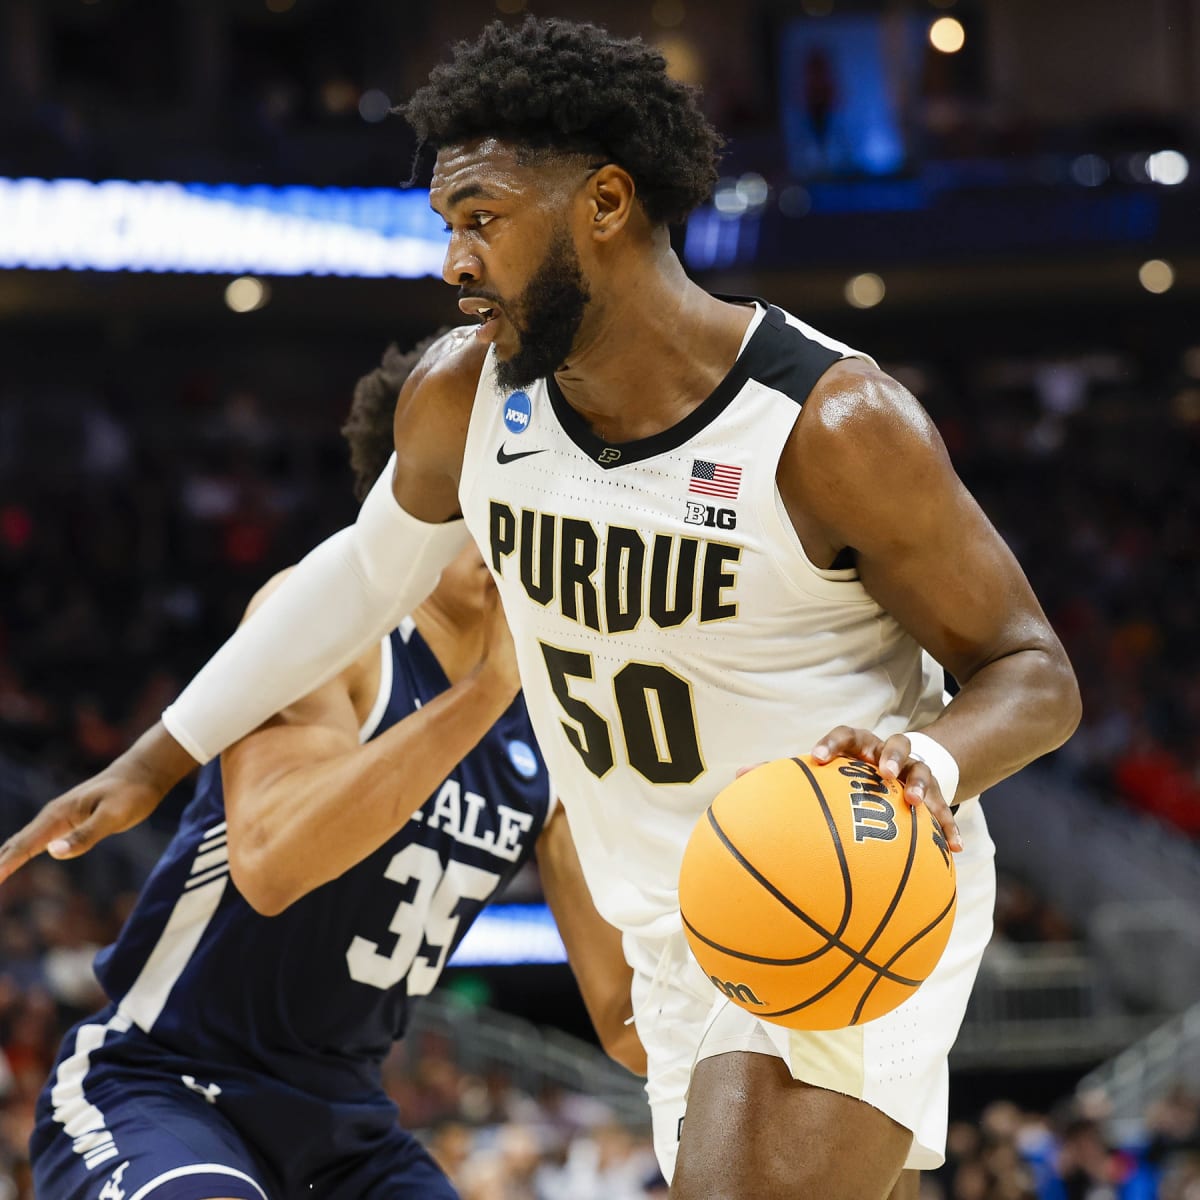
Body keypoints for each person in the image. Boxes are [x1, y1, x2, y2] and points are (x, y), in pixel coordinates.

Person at [1, 17, 1081, 1200]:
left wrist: (927, 757)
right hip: (682, 921)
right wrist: (159, 759)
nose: (454, 263)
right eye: (449, 227)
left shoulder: (828, 425)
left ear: (606, 205)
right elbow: (364, 575)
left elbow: (1032, 671)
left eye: (484, 220)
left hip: (832, 870)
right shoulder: (466, 397)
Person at [26, 333, 644, 1200]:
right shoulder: (328, 633)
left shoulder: (553, 716)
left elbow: (624, 1018)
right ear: (419, 496)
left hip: (345, 1128)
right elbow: (272, 866)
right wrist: (484, 690)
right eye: (503, 474)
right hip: (164, 1084)